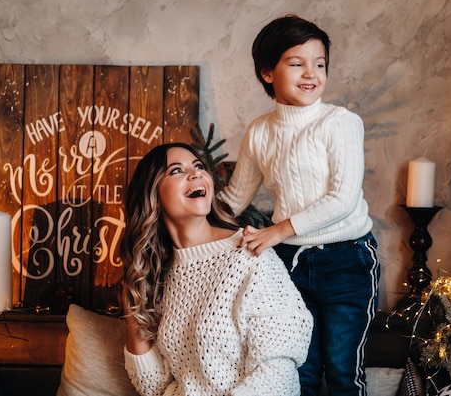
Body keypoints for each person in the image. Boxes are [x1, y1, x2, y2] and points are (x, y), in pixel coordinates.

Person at [218, 15, 380, 396]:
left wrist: (277, 231)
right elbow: (234, 199)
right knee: (297, 372)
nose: (311, 73)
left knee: (343, 372)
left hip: (347, 261)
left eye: (319, 63)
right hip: (289, 266)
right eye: (297, 63)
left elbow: (342, 199)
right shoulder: (260, 131)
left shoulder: (340, 122)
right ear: (267, 72)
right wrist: (184, 218)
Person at [120, 142, 313, 396]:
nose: (196, 173)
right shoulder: (157, 275)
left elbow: (278, 373)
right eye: (176, 170)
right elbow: (155, 388)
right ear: (153, 195)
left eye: (199, 166)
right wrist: (133, 312)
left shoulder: (249, 255)